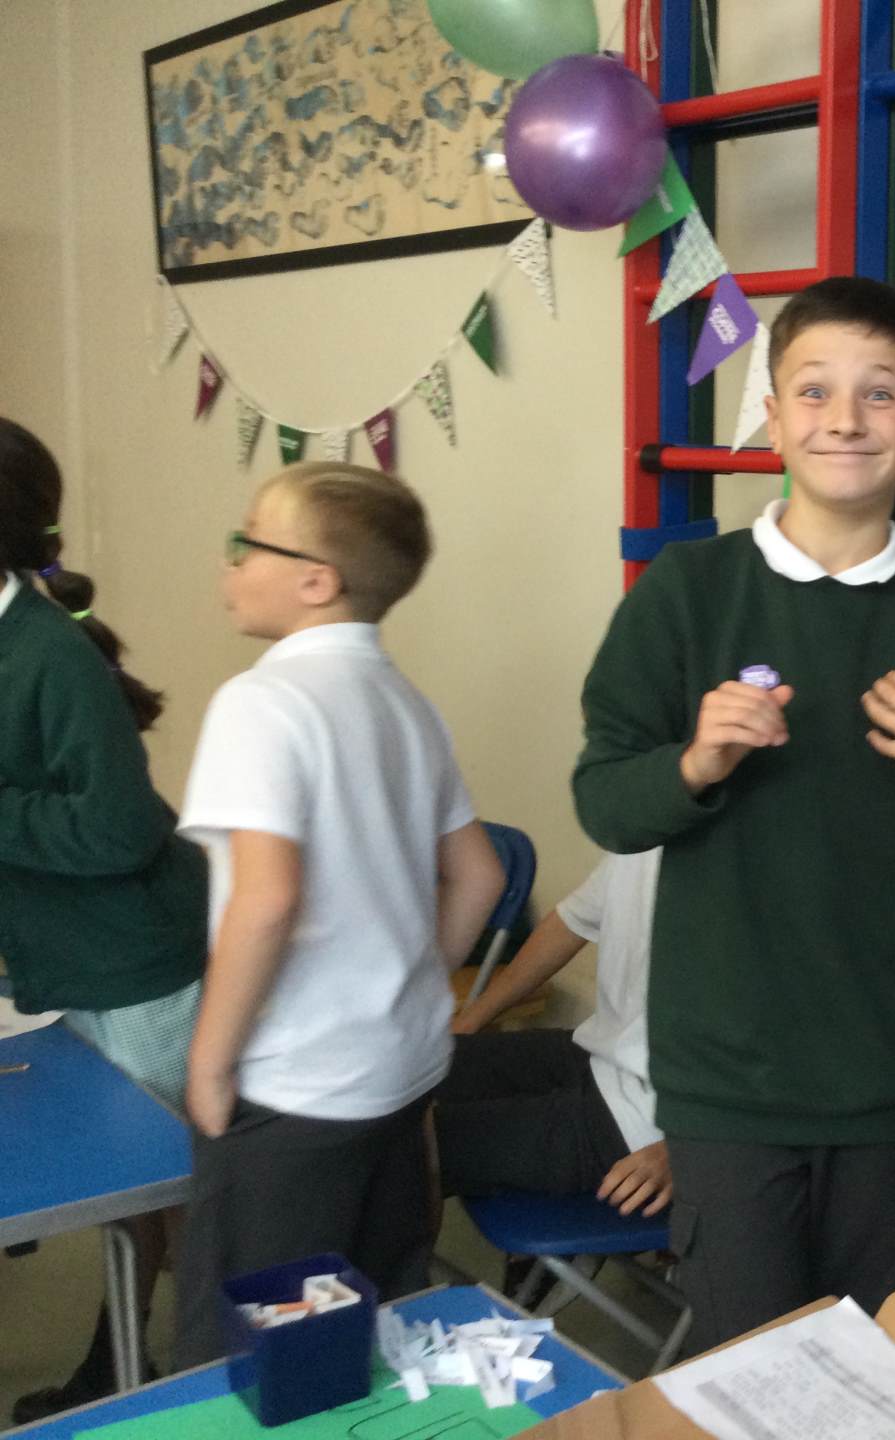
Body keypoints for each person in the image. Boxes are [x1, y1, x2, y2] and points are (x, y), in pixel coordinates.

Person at [573, 275, 895, 1352]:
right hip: (725, 1075)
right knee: (747, 1370)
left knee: (864, 1363)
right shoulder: (688, 591)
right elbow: (607, 803)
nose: (845, 419)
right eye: (815, 391)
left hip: (882, 1068)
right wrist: (696, 761)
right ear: (774, 419)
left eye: (880, 394)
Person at [172, 462, 503, 1366]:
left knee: (255, 1359)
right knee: (369, 1324)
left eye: (247, 543)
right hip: (400, 1069)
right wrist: (403, 982)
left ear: (316, 582)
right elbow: (477, 877)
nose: (231, 562)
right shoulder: (407, 703)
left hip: (294, 1086)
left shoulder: (261, 702)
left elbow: (266, 899)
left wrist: (207, 1061)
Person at [0, 418, 207, 1422]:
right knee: (129, 1188)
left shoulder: (48, 655)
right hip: (64, 957)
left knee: (154, 1188)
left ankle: (166, 1377)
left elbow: (122, 830)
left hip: (137, 965)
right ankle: (125, 1363)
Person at [434, 848, 672, 1222]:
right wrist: (467, 1025)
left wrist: (683, 1150)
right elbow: (570, 922)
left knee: (403, 1147)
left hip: (654, 1122)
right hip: (601, 1059)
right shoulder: (646, 841)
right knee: (415, 1073)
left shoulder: (750, 862)